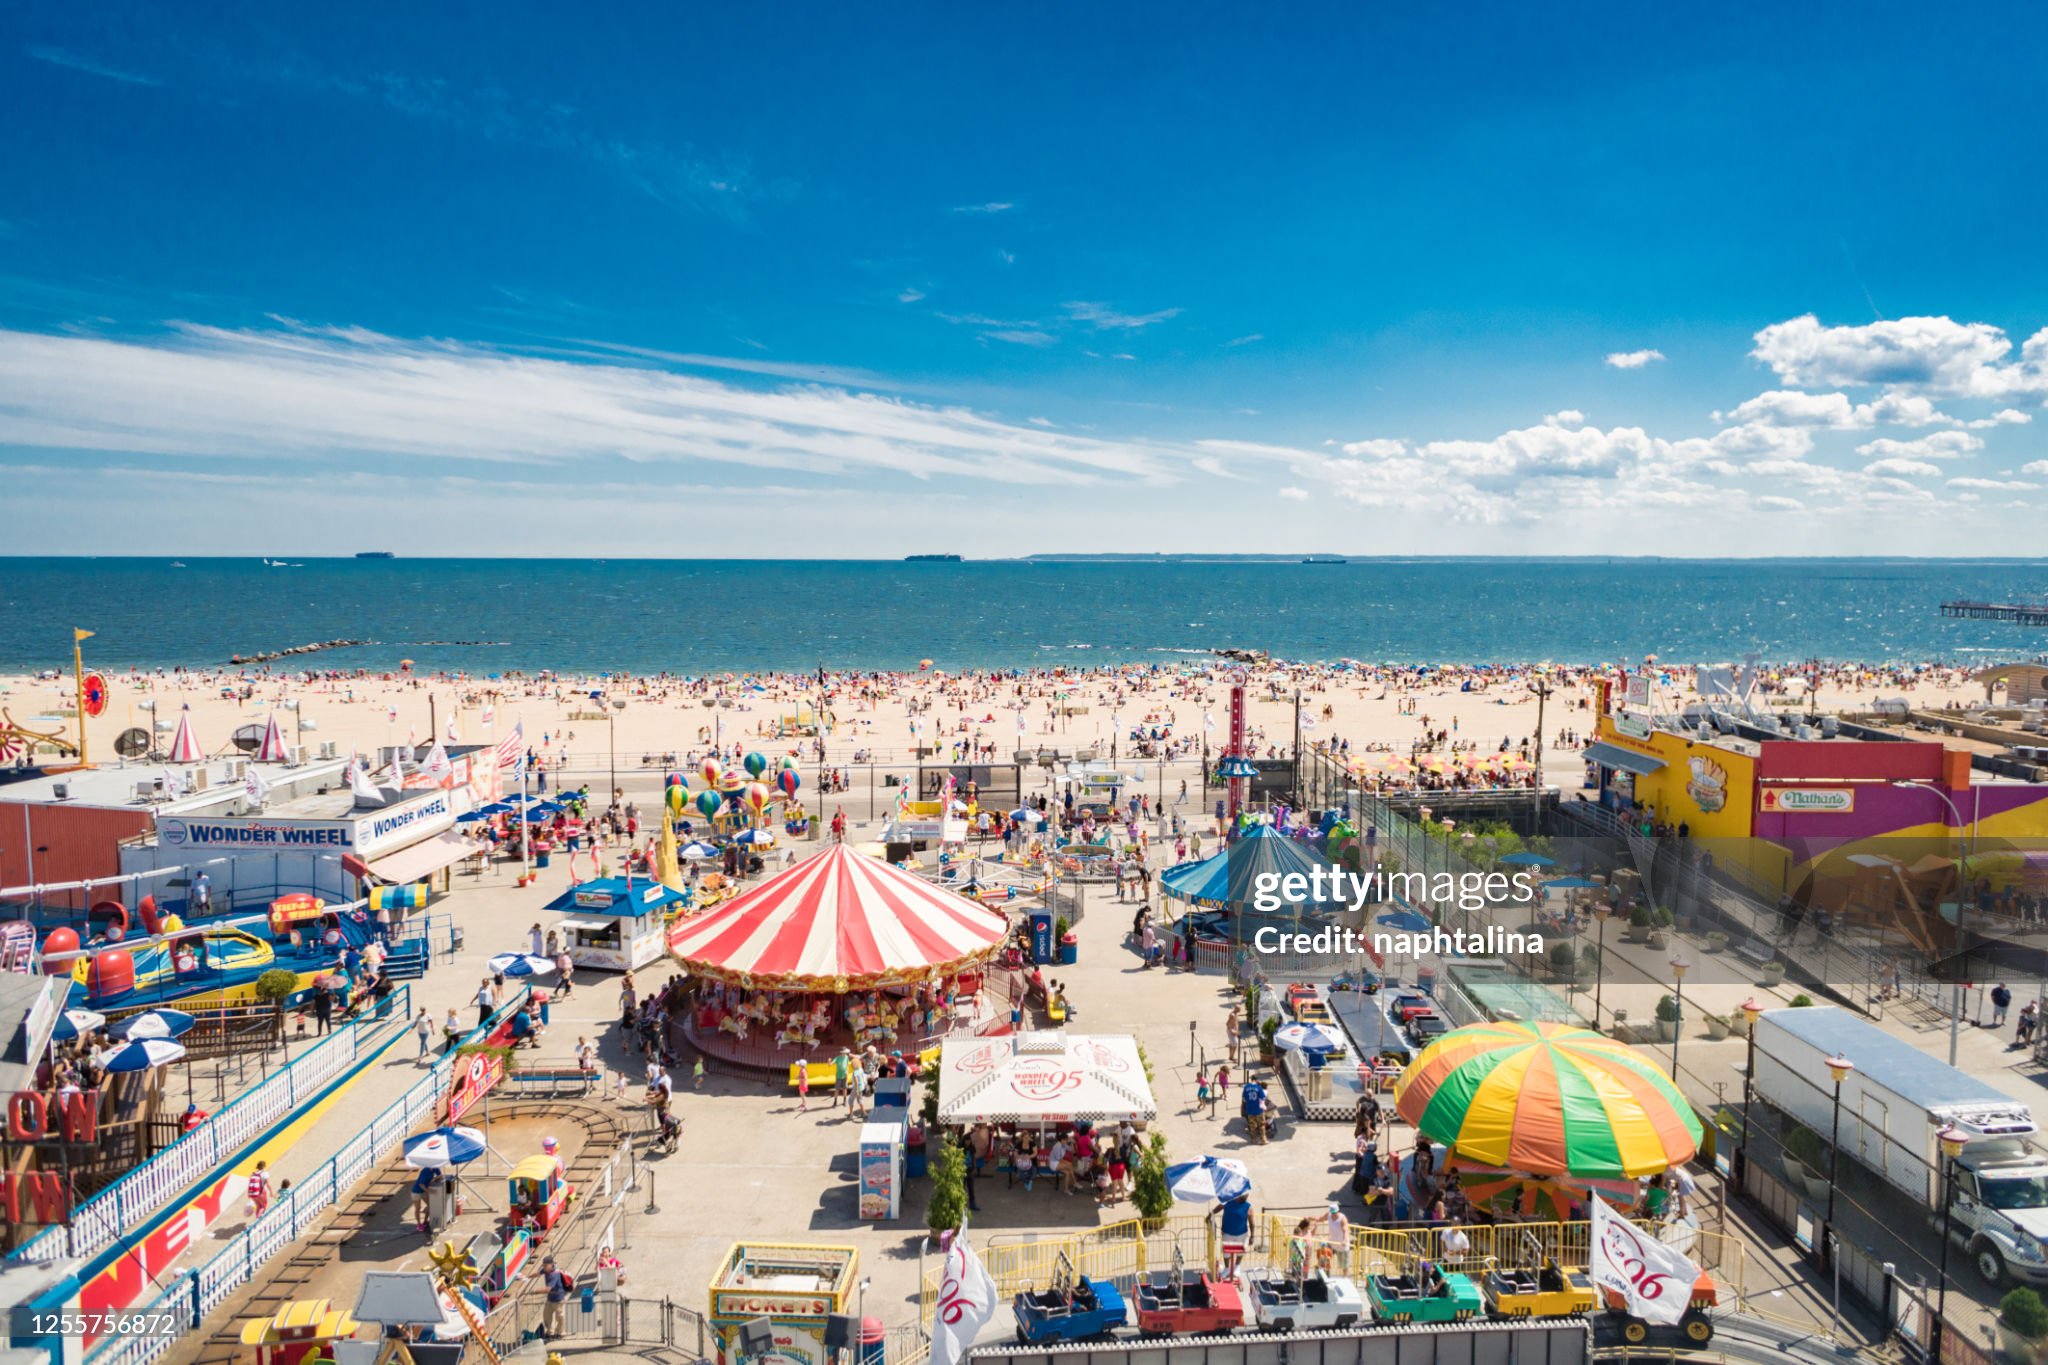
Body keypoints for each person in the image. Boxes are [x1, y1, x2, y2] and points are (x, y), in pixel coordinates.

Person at [1211, 1192, 1253, 1273]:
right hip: (1227, 1233)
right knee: (1226, 1252)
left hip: (1242, 1234)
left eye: (1248, 1194)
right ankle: (1227, 1268)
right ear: (1240, 1195)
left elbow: (1252, 1223)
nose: (1247, 1196)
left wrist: (1252, 1236)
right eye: (1245, 1195)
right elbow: (1219, 1208)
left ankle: (1237, 1267)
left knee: (1241, 1251)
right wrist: (1211, 1214)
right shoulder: (1228, 1201)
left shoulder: (1248, 1206)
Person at [539, 1256, 572, 1337]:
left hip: (558, 1299)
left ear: (551, 1265)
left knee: (560, 1317)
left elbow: (548, 1289)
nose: (544, 1267)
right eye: (543, 1265)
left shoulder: (554, 1274)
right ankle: (549, 1332)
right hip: (550, 1298)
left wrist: (534, 1292)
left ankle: (560, 1332)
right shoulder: (546, 1270)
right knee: (546, 1315)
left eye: (545, 1265)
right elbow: (537, 1273)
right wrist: (526, 1277)